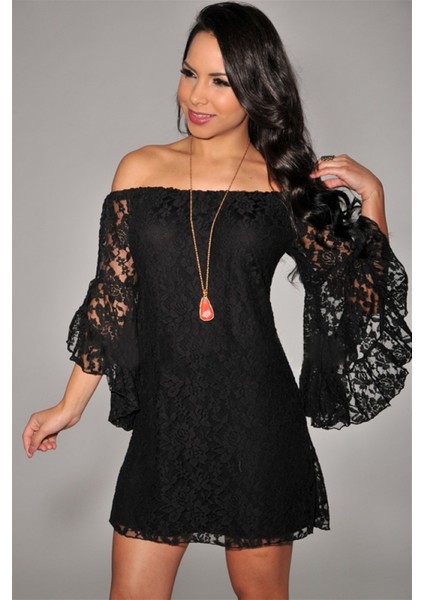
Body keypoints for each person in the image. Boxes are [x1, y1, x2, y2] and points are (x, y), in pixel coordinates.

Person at [22, 2, 411, 599]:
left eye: (221, 82)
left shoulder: (284, 184)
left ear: (257, 88)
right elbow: (112, 297)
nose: (196, 96)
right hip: (165, 421)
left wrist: (375, 197)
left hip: (258, 418)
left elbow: (357, 294)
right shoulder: (139, 169)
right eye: (189, 73)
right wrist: (69, 406)